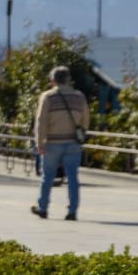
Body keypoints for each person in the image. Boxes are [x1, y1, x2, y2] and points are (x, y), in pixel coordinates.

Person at [31, 66, 89, 220]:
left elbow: (41, 121)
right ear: (68, 79)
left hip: (52, 142)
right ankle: (72, 210)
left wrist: (39, 143)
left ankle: (43, 208)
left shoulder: (48, 97)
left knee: (47, 177)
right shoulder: (79, 97)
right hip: (73, 143)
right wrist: (80, 133)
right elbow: (85, 120)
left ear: (53, 80)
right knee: (72, 177)